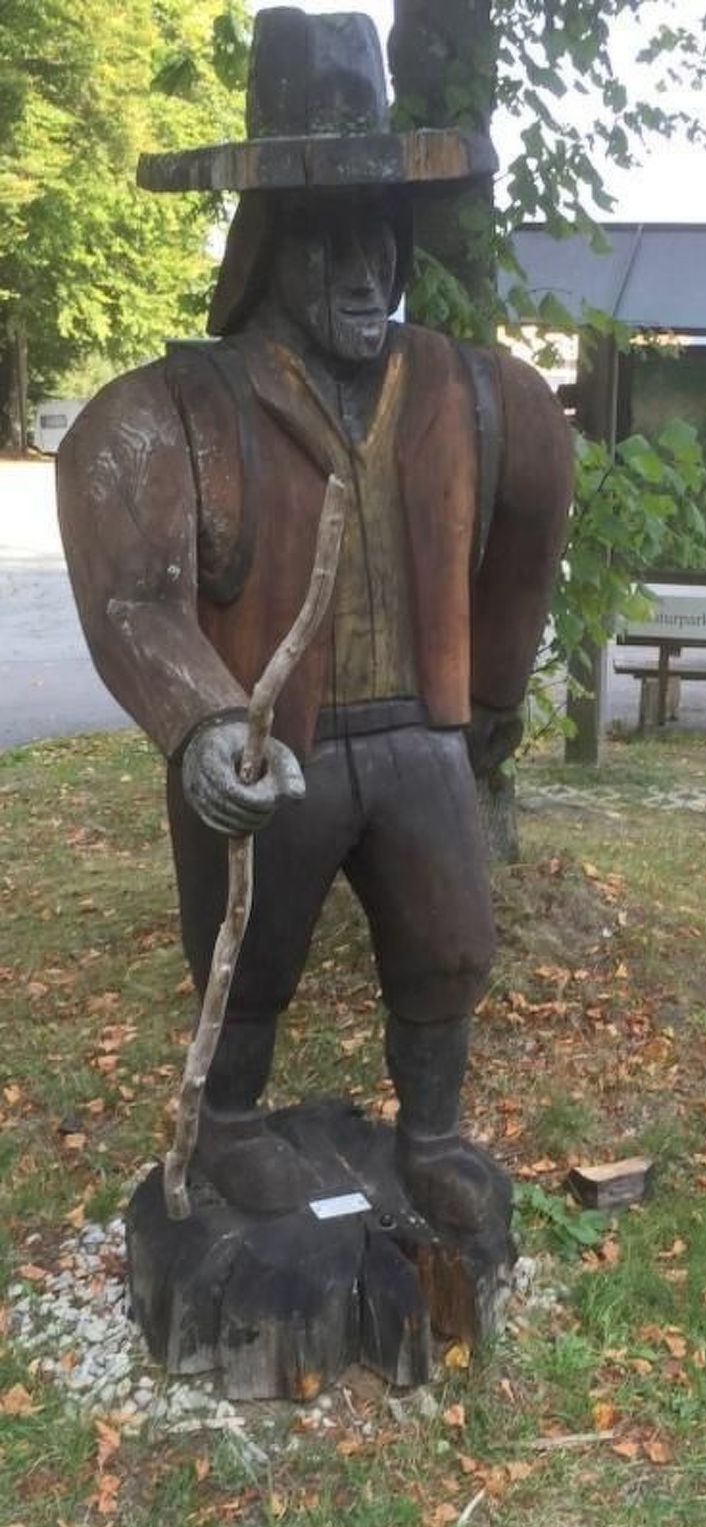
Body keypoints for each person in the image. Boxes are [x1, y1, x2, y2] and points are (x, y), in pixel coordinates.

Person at [57, 9, 573, 1234]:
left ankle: (432, 1132)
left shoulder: (477, 397)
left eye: (379, 233)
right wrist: (198, 727)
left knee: (448, 942)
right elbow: (134, 593)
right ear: (265, 246)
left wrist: (492, 697)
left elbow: (529, 538)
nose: (362, 269)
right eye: (325, 238)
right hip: (266, 742)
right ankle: (228, 1123)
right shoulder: (181, 410)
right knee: (247, 958)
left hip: (419, 737)